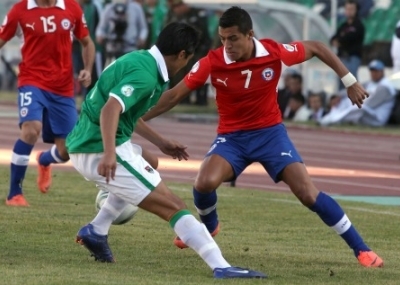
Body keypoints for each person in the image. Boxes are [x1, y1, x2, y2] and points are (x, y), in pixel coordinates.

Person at [141, 6, 384, 268]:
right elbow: (174, 96)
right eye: (222, 39)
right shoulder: (212, 61)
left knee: (307, 193)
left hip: (270, 135)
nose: (227, 45)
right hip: (232, 138)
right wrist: (136, 117)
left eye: (233, 38)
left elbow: (316, 47)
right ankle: (210, 227)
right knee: (203, 183)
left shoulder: (272, 51)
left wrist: (350, 81)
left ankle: (362, 249)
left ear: (249, 35)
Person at [65, 22, 266, 279]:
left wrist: (160, 142)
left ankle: (97, 229)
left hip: (89, 142)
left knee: (151, 161)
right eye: (189, 59)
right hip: (96, 148)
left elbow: (126, 112)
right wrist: (108, 153)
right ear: (182, 54)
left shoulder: (141, 59)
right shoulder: (146, 76)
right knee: (175, 206)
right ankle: (221, 266)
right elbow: (110, 110)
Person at [0, 0, 95, 207]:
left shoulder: (71, 8)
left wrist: (87, 69)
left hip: (62, 88)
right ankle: (14, 194)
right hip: (31, 81)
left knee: (69, 149)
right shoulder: (19, 11)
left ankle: (44, 160)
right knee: (31, 130)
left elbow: (87, 42)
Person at [319, 60, 397, 127]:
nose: (373, 73)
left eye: (376, 71)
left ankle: (332, 120)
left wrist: (354, 103)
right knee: (344, 100)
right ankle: (330, 117)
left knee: (360, 108)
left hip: (377, 118)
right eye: (372, 71)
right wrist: (337, 96)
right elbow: (354, 89)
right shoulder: (370, 83)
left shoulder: (385, 86)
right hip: (366, 112)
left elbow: (370, 104)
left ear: (382, 71)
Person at [330, 0, 365, 90]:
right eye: (347, 9)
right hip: (342, 58)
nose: (349, 11)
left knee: (351, 82)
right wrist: (342, 39)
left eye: (351, 9)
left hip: (352, 57)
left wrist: (341, 40)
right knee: (341, 83)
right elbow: (333, 39)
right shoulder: (343, 26)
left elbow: (350, 38)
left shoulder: (359, 25)